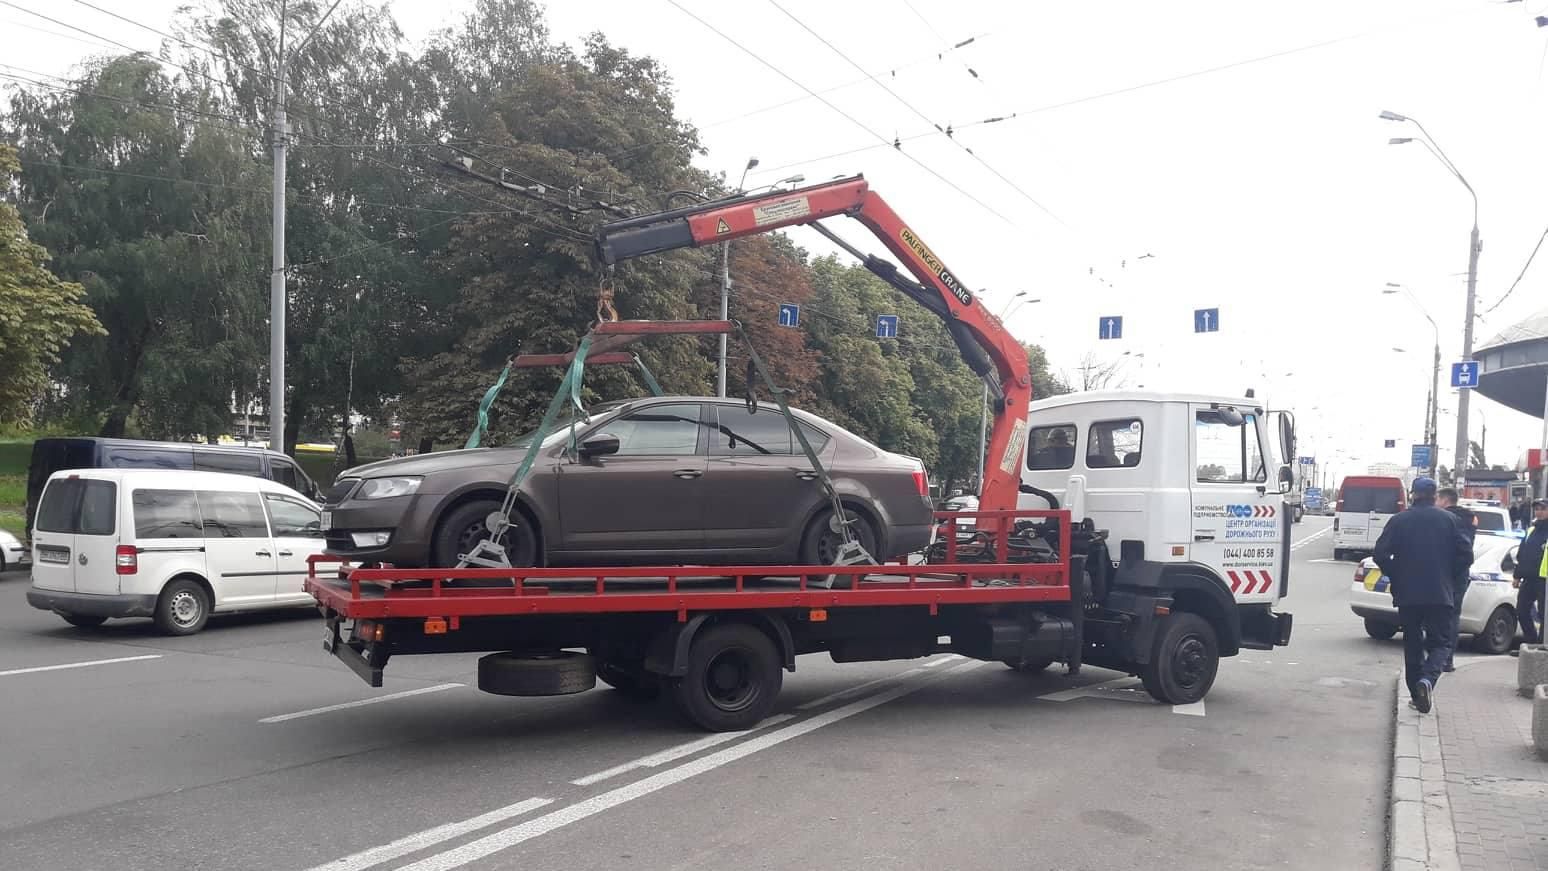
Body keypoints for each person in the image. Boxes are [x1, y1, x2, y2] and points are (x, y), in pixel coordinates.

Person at [1372, 477, 1473, 713]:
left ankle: (1416, 694)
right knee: (1441, 644)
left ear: (1413, 494)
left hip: (1408, 594)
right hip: (1440, 592)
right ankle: (1427, 681)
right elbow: (1466, 555)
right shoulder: (1450, 520)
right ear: (1434, 495)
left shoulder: (1399, 520)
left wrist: (1396, 574)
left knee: (1413, 643)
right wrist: (1448, 575)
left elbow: (1380, 553)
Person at [1436, 488, 1476, 672]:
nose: (1435, 502)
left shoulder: (1446, 519)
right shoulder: (1469, 518)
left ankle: (1439, 657)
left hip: (1446, 574)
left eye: (1437, 499)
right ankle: (1447, 659)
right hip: (1460, 575)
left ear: (1445, 500)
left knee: (1439, 617)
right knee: (1452, 617)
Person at [1513, 499, 1548, 655]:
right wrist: (1517, 576)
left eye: (1543, 509)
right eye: (1537, 509)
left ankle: (1542, 646)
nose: (1539, 512)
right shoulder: (1531, 530)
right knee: (1521, 610)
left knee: (1544, 615)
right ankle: (1531, 643)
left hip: (1545, 580)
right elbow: (1522, 554)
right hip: (1529, 578)